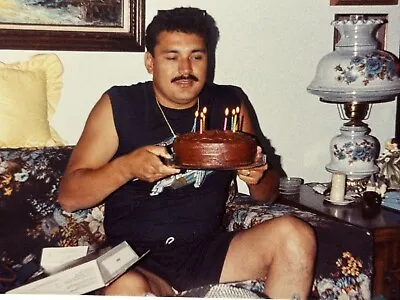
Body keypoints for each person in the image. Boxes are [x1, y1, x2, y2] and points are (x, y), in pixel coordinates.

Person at [57, 7, 316, 299]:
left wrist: (258, 175)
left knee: (296, 235)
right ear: (150, 62)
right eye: (172, 57)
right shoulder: (120, 104)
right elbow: (69, 196)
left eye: (197, 56)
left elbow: (267, 193)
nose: (186, 69)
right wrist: (126, 167)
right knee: (126, 289)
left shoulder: (230, 104)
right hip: (136, 260)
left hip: (208, 252)